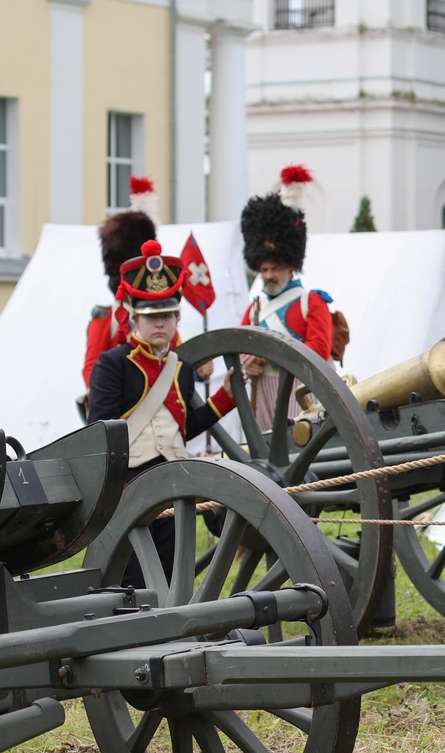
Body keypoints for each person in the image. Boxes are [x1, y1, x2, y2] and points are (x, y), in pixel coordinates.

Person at [88, 240, 237, 587]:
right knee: (133, 574)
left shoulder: (180, 367)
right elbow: (101, 431)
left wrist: (225, 397)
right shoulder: (113, 365)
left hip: (173, 481)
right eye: (152, 316)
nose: (160, 324)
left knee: (171, 569)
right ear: (133, 316)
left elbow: (184, 428)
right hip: (130, 484)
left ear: (177, 317)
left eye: (167, 315)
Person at [83, 177, 212, 389]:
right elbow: (91, 368)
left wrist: (198, 372)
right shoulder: (106, 318)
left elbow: (176, 359)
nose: (159, 321)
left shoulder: (163, 313)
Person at [239, 164, 335, 430]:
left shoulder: (311, 302)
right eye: (264, 269)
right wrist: (248, 365)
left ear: (290, 268)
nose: (268, 275)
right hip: (264, 389)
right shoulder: (255, 307)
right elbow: (240, 347)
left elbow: (318, 350)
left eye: (275, 268)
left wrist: (266, 357)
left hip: (301, 388)